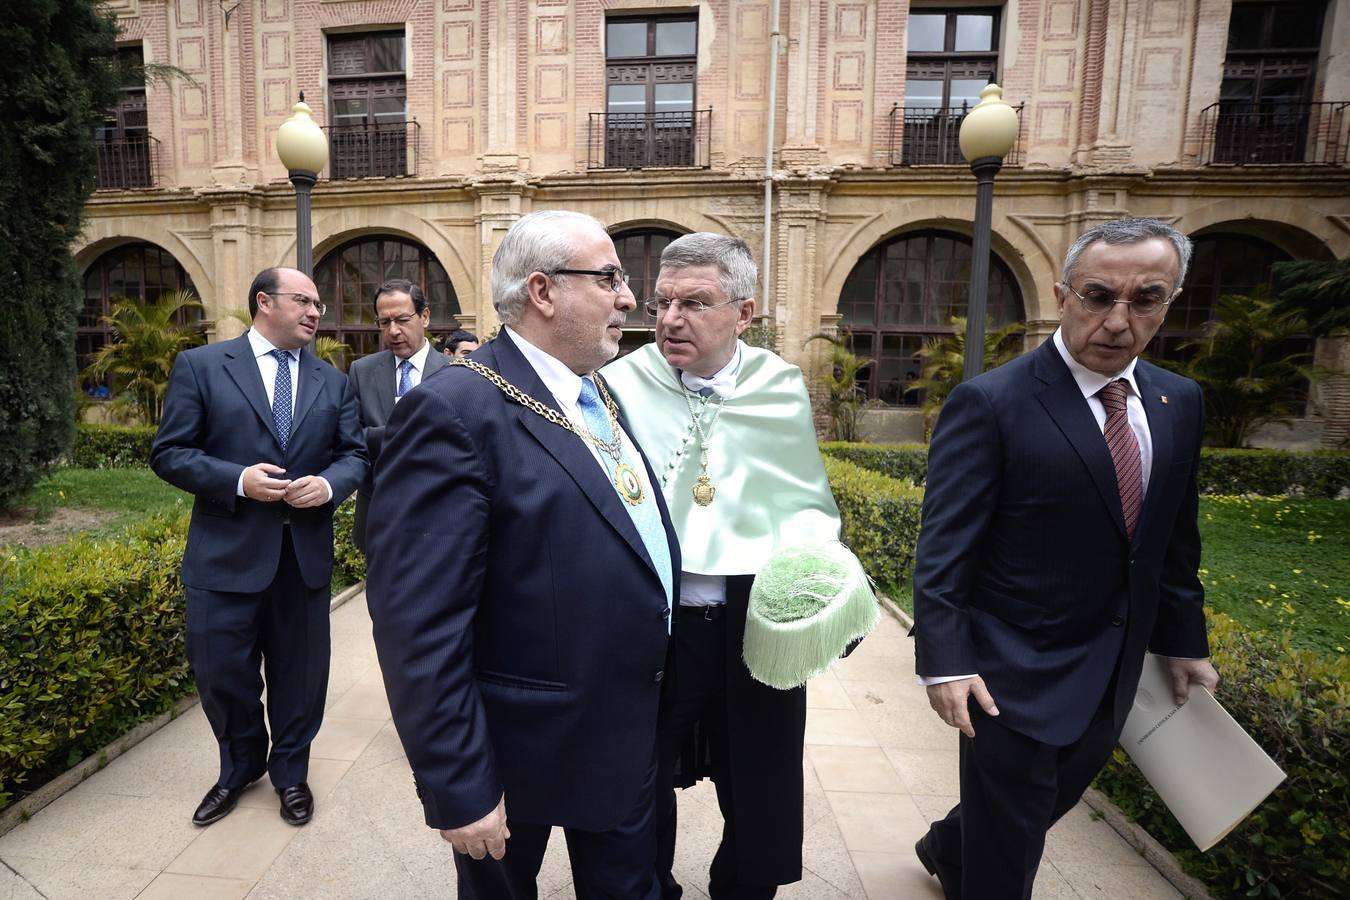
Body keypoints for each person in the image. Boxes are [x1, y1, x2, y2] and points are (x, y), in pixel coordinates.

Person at [365, 210, 679, 899]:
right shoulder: (454, 409)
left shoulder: (591, 390)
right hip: (515, 748)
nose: (630, 298)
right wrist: (459, 782)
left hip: (621, 726)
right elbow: (418, 619)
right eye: (610, 278)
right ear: (543, 292)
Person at [911, 218, 1220, 898]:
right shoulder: (992, 403)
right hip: (1009, 666)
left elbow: (1172, 541)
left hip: (1113, 669)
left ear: (1168, 304)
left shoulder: (1179, 402)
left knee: (1042, 802)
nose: (1118, 319)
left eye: (1145, 299)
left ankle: (947, 844)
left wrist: (1183, 642)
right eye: (1098, 295)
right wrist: (946, 661)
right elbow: (944, 547)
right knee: (1012, 839)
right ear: (1063, 295)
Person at [604, 233, 843, 899]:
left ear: (744, 311)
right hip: (657, 620)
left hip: (753, 617)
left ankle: (743, 887)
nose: (672, 319)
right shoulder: (620, 385)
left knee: (760, 774)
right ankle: (646, 887)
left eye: (695, 303)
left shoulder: (779, 384)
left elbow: (802, 498)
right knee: (638, 773)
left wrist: (823, 583)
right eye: (663, 303)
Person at [149, 267, 366, 828]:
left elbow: (355, 455)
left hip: (302, 558)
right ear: (263, 302)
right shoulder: (201, 367)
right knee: (221, 672)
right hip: (224, 556)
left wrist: (330, 485)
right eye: (304, 300)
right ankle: (240, 763)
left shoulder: (332, 380)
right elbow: (170, 452)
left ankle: (291, 773)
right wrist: (238, 479)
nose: (316, 311)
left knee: (301, 675)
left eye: (319, 302)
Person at [347, 279, 449, 552]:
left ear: (424, 316)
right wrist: (404, 430)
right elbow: (350, 438)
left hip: (442, 517)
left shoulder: (457, 371)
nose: (393, 331)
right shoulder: (362, 371)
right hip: (379, 518)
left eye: (402, 320)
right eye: (384, 322)